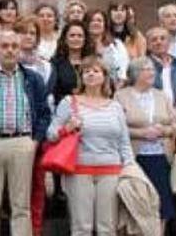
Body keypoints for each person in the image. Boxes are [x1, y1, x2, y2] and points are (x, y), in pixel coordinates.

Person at [0, 30, 50, 236]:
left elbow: (43, 113)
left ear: (20, 49)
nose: (9, 51)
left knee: (21, 204)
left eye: (14, 46)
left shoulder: (32, 79)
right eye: (5, 46)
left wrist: (35, 141)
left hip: (22, 143)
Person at [47, 56, 134, 236]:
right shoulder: (69, 102)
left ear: (104, 77)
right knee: (81, 228)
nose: (91, 74)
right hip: (79, 170)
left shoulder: (115, 107)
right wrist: (67, 128)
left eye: (96, 71)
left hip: (111, 170)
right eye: (86, 71)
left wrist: (129, 167)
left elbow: (124, 141)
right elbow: (51, 134)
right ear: (81, 77)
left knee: (107, 227)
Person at [115, 57, 176, 233]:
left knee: (161, 204)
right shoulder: (121, 96)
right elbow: (115, 127)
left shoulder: (161, 95)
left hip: (160, 157)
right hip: (134, 159)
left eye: (152, 69)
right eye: (147, 69)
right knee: (136, 204)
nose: (152, 72)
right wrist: (140, 133)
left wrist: (163, 131)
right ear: (135, 73)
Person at [13, 16, 54, 236]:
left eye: (32, 33)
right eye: (23, 32)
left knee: (37, 186)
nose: (28, 37)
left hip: (38, 134)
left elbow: (47, 101)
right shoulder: (7, 62)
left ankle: (35, 230)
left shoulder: (46, 67)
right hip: (12, 133)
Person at [49, 21, 94, 108]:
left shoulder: (93, 62)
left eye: (80, 36)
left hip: (91, 109)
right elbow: (53, 92)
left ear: (85, 39)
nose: (76, 39)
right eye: (72, 35)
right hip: (65, 109)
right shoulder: (56, 63)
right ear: (65, 39)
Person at [146, 26, 176, 106]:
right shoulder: (142, 68)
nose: (158, 42)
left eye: (162, 39)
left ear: (169, 43)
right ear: (148, 45)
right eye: (154, 40)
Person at [84, 9, 129, 86]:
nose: (96, 23)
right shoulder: (82, 44)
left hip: (113, 87)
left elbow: (123, 69)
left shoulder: (116, 45)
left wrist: (118, 87)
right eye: (92, 21)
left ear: (105, 24)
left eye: (99, 20)